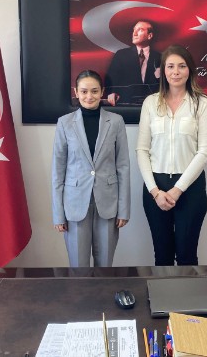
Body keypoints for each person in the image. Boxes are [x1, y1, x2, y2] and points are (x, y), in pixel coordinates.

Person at [136, 45, 207, 266]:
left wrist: (177, 190)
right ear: (163, 70)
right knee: (162, 256)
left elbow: (204, 152)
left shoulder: (202, 103)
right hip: (156, 188)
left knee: (187, 255)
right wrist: (155, 191)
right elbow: (142, 149)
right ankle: (165, 293)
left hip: (190, 188)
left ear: (190, 70)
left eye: (182, 66)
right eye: (170, 66)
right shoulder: (150, 103)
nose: (176, 72)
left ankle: (188, 292)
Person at [52, 70, 131, 267]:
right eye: (84, 91)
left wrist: (124, 210)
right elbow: (57, 171)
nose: (89, 96)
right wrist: (58, 213)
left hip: (108, 202)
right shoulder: (65, 123)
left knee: (105, 265)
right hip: (74, 204)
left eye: (94, 91)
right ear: (76, 92)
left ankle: (103, 289)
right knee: (78, 266)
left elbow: (123, 167)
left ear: (102, 91)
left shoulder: (116, 122)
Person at [105, 20, 161, 106]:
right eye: (134, 30)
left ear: (149, 35)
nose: (134, 34)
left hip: (152, 106)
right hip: (126, 105)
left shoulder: (160, 58)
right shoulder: (121, 55)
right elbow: (111, 79)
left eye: (140, 30)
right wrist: (112, 93)